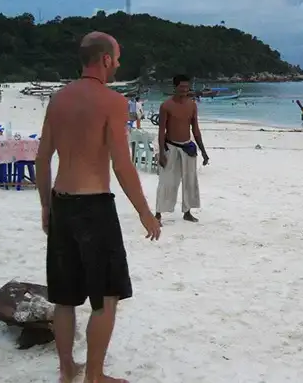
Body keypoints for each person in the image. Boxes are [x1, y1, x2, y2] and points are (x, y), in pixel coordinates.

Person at [35, 31, 161, 383]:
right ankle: (93, 376)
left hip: (61, 203)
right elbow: (122, 165)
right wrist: (144, 211)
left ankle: (66, 371)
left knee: (64, 298)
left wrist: (46, 206)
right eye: (117, 57)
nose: (119, 63)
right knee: (105, 296)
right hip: (94, 208)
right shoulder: (112, 102)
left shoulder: (57, 100)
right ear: (105, 59)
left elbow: (42, 159)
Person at [154, 74, 209, 224]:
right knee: (166, 181)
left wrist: (204, 152)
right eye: (181, 87)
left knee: (190, 181)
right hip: (171, 146)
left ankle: (187, 211)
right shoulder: (166, 105)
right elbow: (161, 131)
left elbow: (195, 129)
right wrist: (161, 154)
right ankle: (158, 214)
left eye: (187, 87)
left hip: (188, 147)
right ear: (175, 87)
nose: (185, 90)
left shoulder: (192, 104)